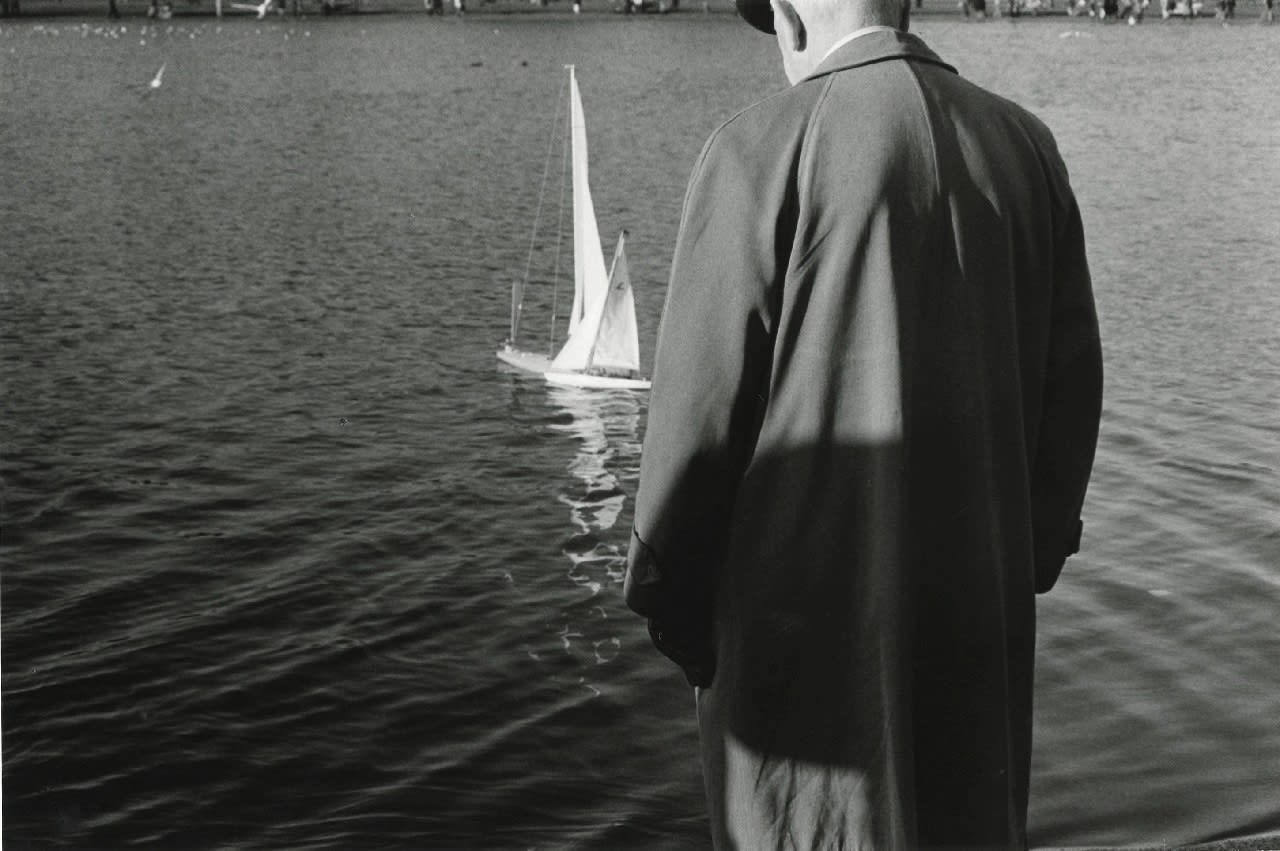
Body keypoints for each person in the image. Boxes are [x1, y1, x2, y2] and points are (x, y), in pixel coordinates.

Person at [621, 0, 1104, 845]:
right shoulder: (1027, 148)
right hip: (976, 663)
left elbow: (686, 458)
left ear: (790, 17)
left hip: (800, 699)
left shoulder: (758, 149)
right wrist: (1008, 568)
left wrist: (686, 629)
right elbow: (1067, 430)